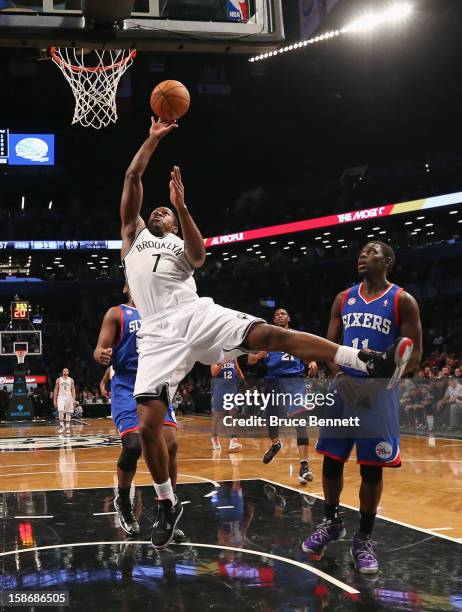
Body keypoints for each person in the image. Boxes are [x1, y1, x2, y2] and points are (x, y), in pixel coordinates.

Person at [120, 119, 413, 549]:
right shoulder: (132, 236)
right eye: (158, 210)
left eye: (167, 213)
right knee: (148, 425)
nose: (160, 213)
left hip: (195, 313)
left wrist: (182, 207)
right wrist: (154, 137)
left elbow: (200, 258)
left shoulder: (180, 242)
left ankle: (365, 360)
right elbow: (132, 176)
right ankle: (167, 504)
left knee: (273, 335)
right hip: (157, 334)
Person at [302, 241, 422, 574]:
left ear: (388, 261)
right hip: (342, 391)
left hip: (378, 394)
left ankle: (364, 539)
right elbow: (330, 348)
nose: (362, 255)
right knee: (331, 460)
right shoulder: (343, 298)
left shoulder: (403, 301)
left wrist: (373, 384)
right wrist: (341, 379)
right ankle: (331, 522)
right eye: (362, 252)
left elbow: (415, 357)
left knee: (371, 468)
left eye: (371, 252)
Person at [94, 288, 180, 537]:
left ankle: (167, 511)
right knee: (133, 446)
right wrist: (101, 354)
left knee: (171, 444)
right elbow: (99, 349)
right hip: (126, 386)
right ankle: (123, 501)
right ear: (127, 287)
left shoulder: (162, 313)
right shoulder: (117, 314)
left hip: (155, 383)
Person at [248, 308, 316, 485]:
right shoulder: (267, 338)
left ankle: (304, 466)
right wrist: (259, 355)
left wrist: (313, 361)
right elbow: (250, 359)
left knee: (300, 421)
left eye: (283, 313)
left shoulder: (297, 336)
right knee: (272, 421)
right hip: (273, 382)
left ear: (289, 318)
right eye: (277, 314)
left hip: (295, 381)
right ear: (274, 319)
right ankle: (276, 443)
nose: (280, 316)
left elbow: (308, 355)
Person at [210, 358, 244, 451]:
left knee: (233, 411)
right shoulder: (215, 354)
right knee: (218, 414)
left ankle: (234, 439)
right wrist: (222, 363)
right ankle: (214, 438)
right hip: (219, 387)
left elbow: (237, 369)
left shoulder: (233, 355)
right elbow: (213, 373)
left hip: (231, 387)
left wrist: (244, 380)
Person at [53, 368, 76, 435]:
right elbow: (55, 390)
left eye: (66, 371)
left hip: (69, 396)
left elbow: (73, 390)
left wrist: (74, 399)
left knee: (68, 412)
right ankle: (61, 426)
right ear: (62, 372)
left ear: (68, 372)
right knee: (60, 411)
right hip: (60, 396)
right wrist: (54, 400)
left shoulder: (71, 380)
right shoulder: (58, 380)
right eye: (64, 370)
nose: (65, 371)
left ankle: (68, 428)